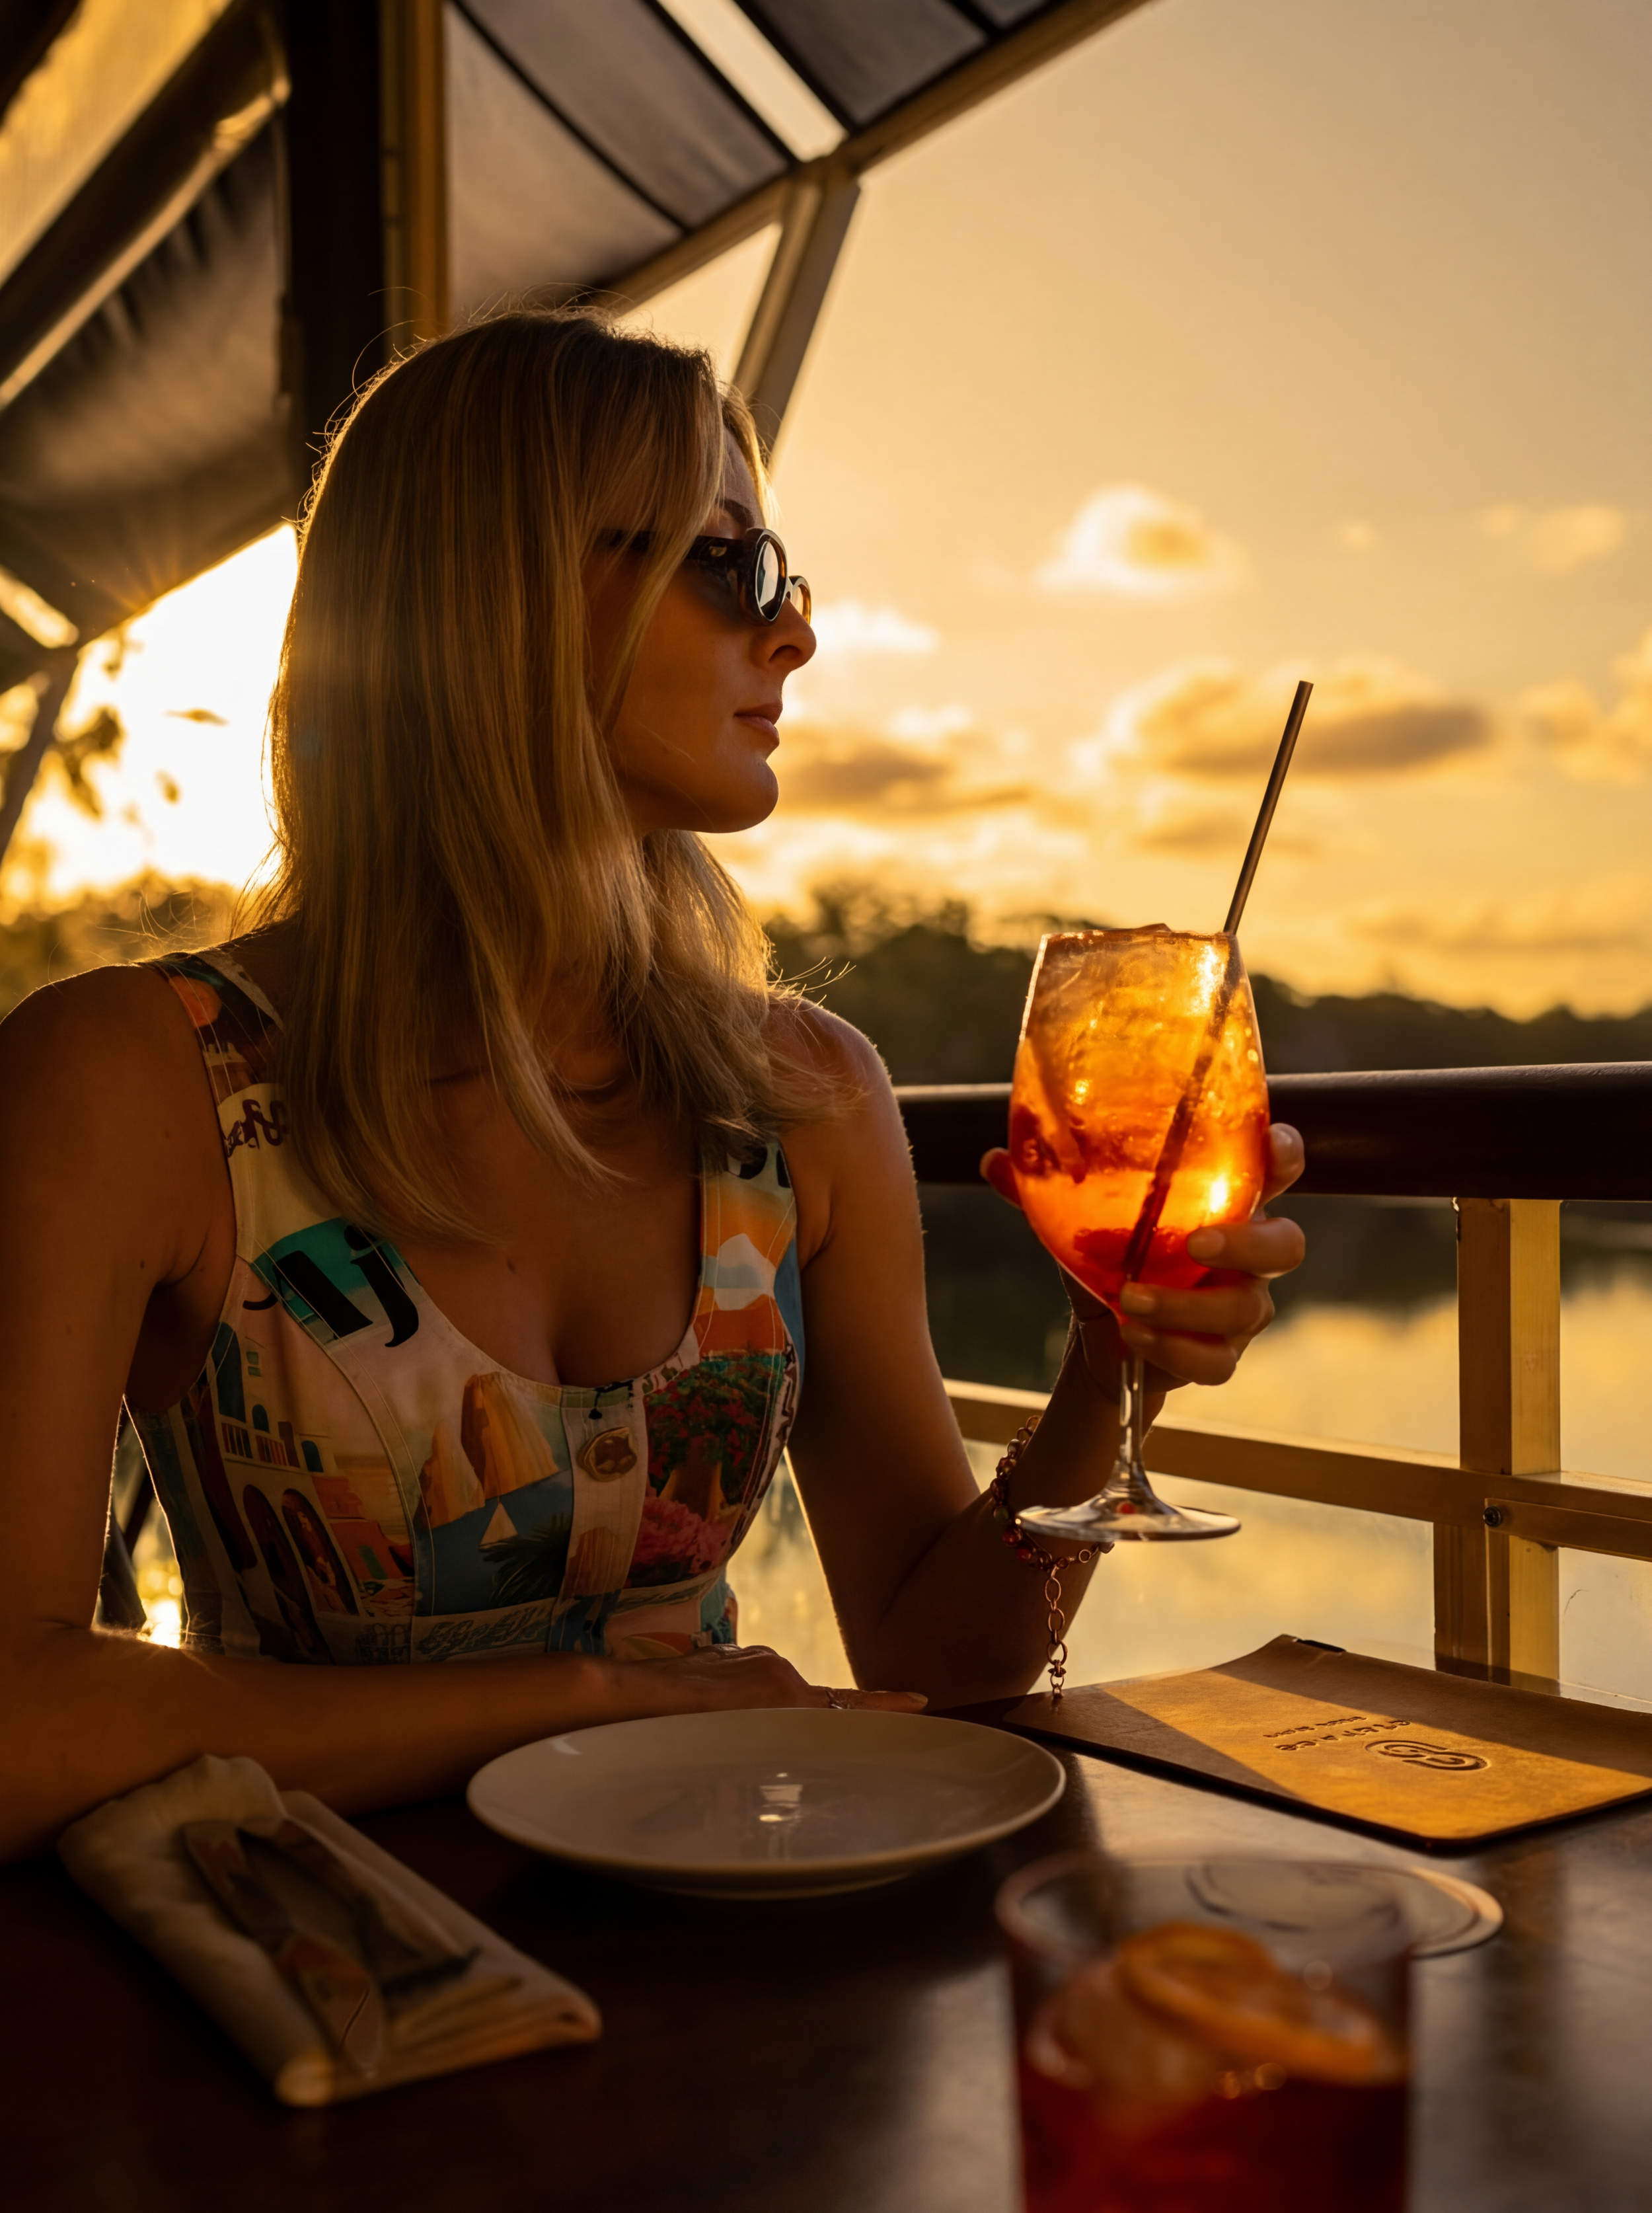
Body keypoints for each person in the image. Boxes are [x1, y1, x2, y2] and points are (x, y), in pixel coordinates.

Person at [0, 311, 1304, 1862]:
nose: (793, 634)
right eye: (732, 565)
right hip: (326, 1984)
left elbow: (935, 1657)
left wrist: (1107, 1371)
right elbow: (17, 1724)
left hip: (740, 1967)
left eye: (784, 575)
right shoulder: (137, 1081)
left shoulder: (800, 1100)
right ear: (504, 596)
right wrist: (590, 1702)